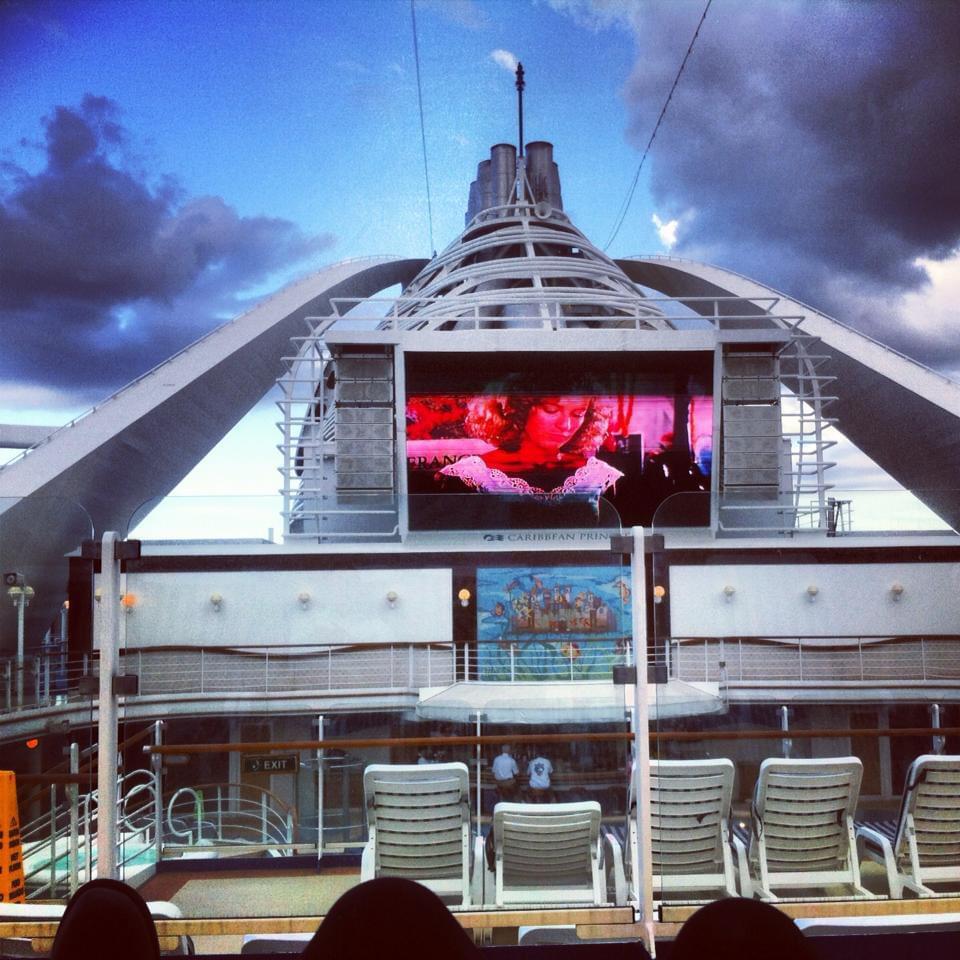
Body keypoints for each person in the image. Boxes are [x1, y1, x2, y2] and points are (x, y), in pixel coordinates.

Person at [436, 381, 622, 503]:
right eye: (551, 410)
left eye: (578, 414)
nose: (565, 425)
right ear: (517, 408)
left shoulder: (600, 476)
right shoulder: (470, 476)